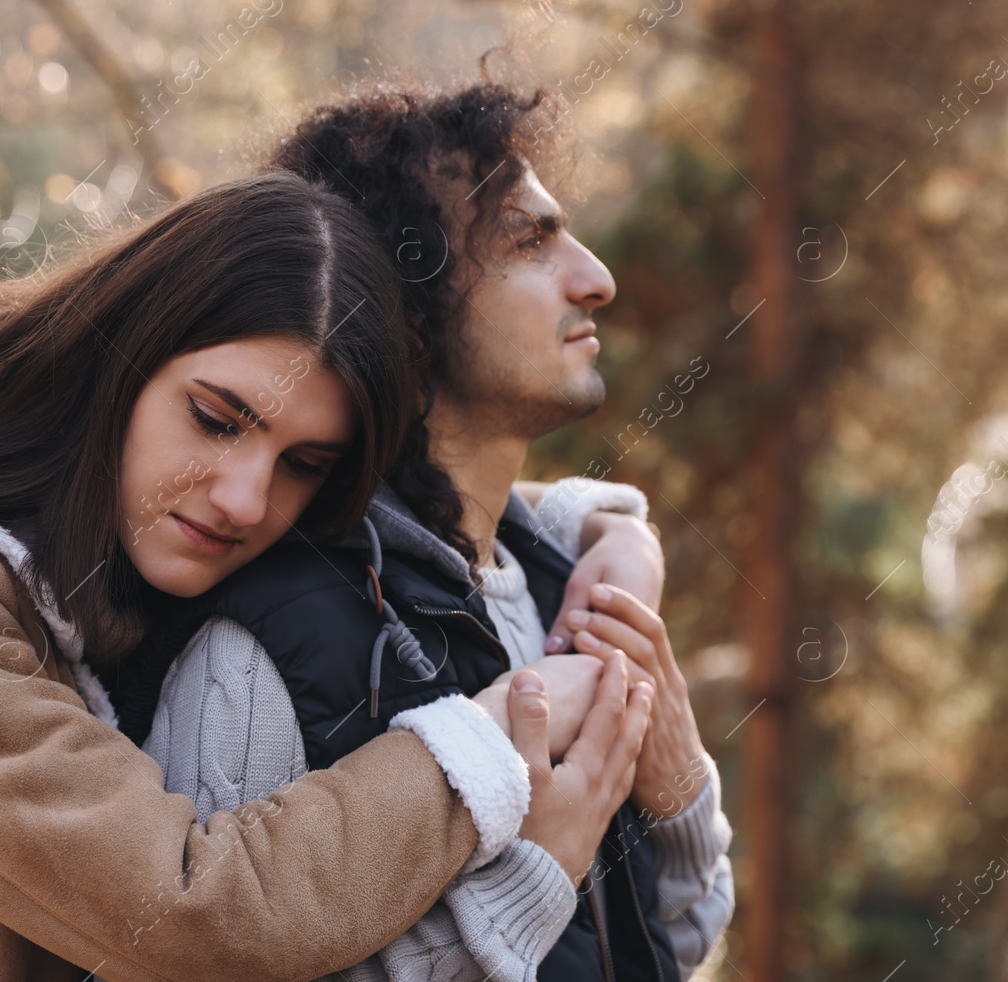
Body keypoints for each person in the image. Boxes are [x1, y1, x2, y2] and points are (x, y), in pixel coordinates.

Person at [0, 171, 652, 982]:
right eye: (216, 420)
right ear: (120, 354)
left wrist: (594, 527)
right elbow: (189, 910)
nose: (246, 500)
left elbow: (442, 498)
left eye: (303, 463)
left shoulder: (115, 520)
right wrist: (485, 745)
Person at [131, 84, 733, 981]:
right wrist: (528, 881)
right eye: (530, 240)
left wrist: (676, 783)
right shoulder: (261, 652)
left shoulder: (554, 586)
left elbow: (666, 946)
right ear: (401, 302)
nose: (595, 277)